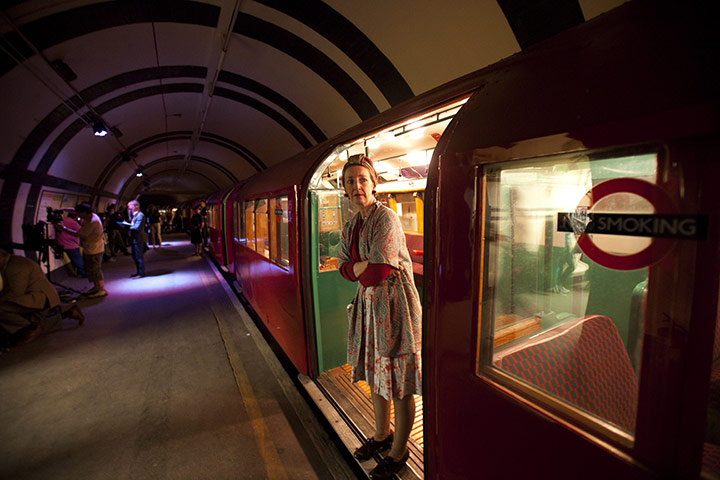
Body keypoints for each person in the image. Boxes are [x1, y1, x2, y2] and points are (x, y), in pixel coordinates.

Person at [337, 154, 422, 480]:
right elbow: (345, 269)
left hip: (394, 309)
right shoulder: (350, 226)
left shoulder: (386, 219)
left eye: (362, 179)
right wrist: (358, 268)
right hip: (369, 311)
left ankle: (399, 452)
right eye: (350, 181)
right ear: (344, 188)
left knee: (399, 383)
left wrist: (356, 268)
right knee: (376, 375)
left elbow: (378, 272)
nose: (356, 185)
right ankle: (381, 434)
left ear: (373, 183)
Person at [0, 248, 61, 345]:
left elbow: (16, 293)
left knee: (2, 309)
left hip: (38, 297)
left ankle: (28, 329)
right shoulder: (12, 263)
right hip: (41, 296)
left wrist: (2, 299)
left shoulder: (14, 266)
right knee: (34, 320)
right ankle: (66, 313)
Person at [55, 203, 107, 298]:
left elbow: (79, 234)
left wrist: (63, 228)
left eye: (79, 214)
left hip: (95, 249)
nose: (77, 216)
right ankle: (96, 287)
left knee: (95, 269)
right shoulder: (90, 215)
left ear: (84, 213)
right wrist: (62, 208)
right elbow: (75, 211)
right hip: (89, 248)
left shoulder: (93, 222)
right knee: (90, 269)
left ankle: (101, 289)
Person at [54, 210, 86, 278]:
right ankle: (84, 274)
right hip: (71, 245)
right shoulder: (72, 222)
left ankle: (76, 273)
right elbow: (82, 231)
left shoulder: (62, 220)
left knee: (73, 260)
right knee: (78, 260)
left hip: (61, 244)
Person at [126, 200, 147, 277]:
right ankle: (138, 271)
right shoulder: (134, 215)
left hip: (139, 239)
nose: (128, 208)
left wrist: (128, 225)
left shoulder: (140, 215)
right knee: (135, 256)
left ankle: (141, 273)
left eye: (130, 206)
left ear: (136, 206)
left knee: (139, 256)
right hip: (134, 239)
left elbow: (137, 227)